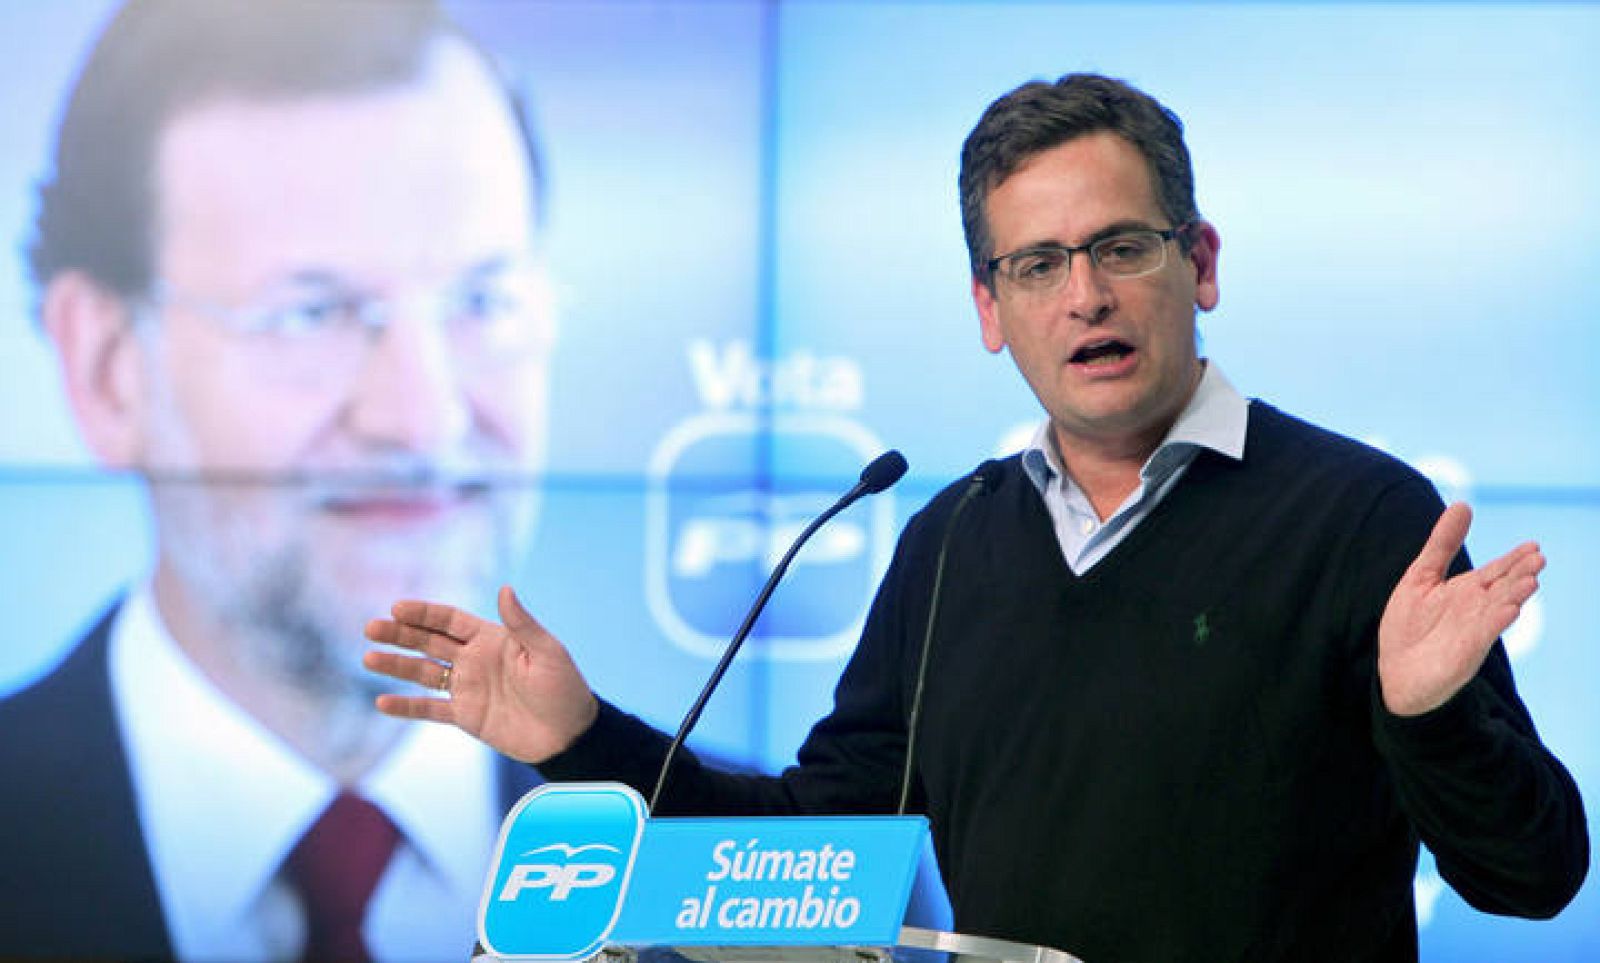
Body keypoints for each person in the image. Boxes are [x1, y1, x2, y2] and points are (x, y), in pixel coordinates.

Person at [364, 74, 1589, 962]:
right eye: (1037, 264)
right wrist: (583, 738)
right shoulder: (950, 541)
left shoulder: (1364, 518)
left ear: (1199, 263)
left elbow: (1531, 881)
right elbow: (808, 847)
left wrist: (1427, 718)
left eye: (1122, 247)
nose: (1086, 295)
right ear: (988, 307)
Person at [0, 1, 556, 959]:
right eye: (312, 313)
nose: (422, 419)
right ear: (105, 371)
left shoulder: (735, 869)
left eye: (480, 301)